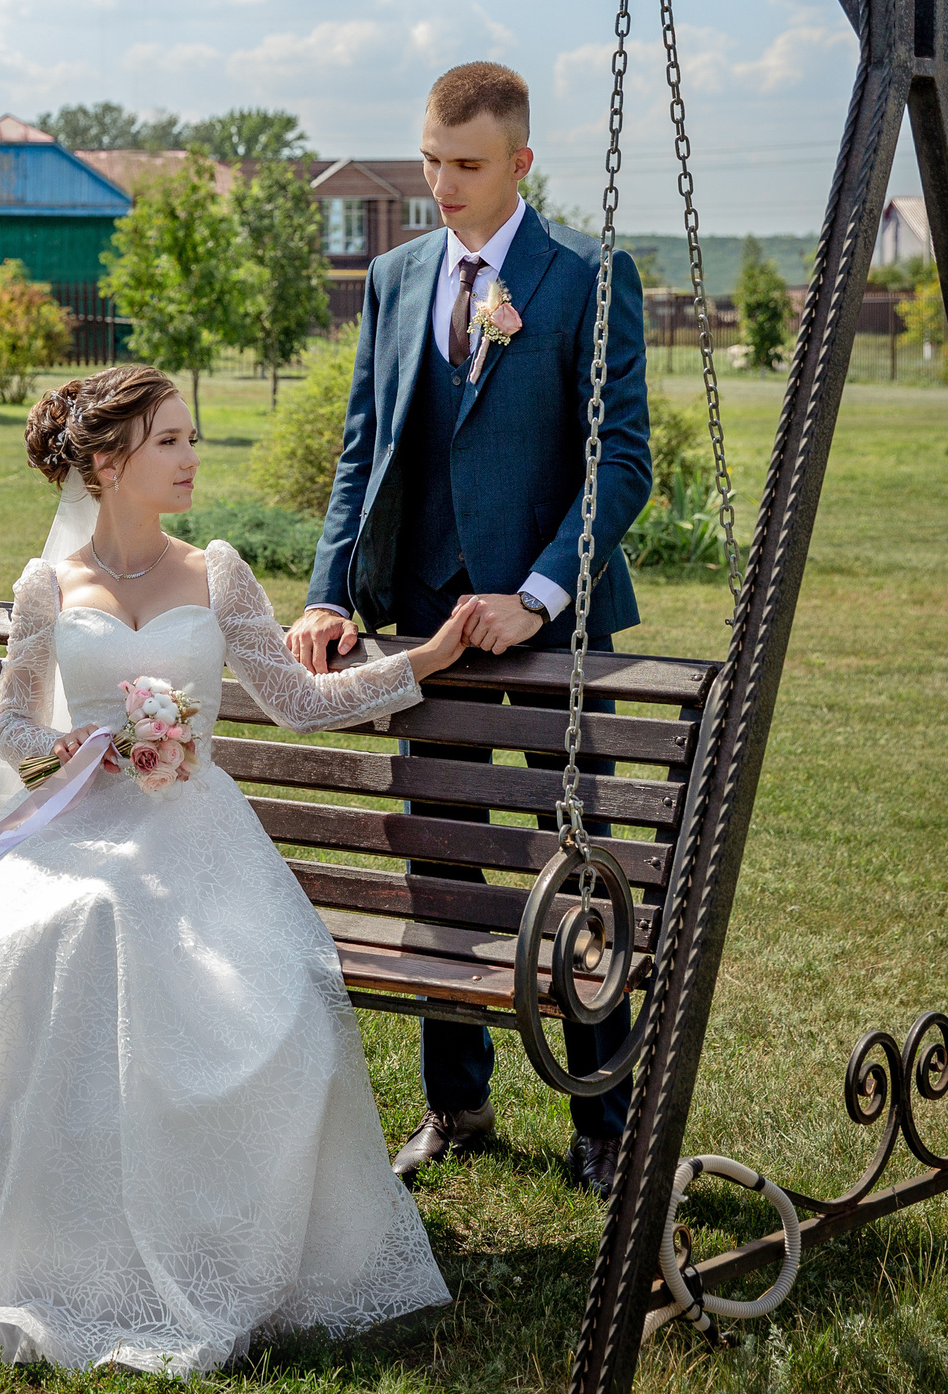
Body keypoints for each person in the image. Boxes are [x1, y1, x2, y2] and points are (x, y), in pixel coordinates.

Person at [0, 364, 475, 1374]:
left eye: (190, 438)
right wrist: (94, 741)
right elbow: (16, 729)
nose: (190, 458)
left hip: (195, 835)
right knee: (52, 926)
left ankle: (193, 1238)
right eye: (169, 440)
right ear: (108, 461)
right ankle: (44, 1233)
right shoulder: (49, 585)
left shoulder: (216, 571)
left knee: (154, 941)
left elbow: (297, 700)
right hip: (83, 816)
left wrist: (422, 660)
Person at [286, 61, 653, 1196]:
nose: (442, 186)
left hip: (549, 629)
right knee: (438, 858)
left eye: (467, 166)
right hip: (423, 628)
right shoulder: (395, 276)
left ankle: (601, 1121)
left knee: (574, 864)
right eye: (431, 163)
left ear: (519, 164)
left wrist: (536, 593)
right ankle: (458, 1105)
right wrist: (328, 590)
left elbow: (621, 461)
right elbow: (364, 451)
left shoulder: (585, 276)